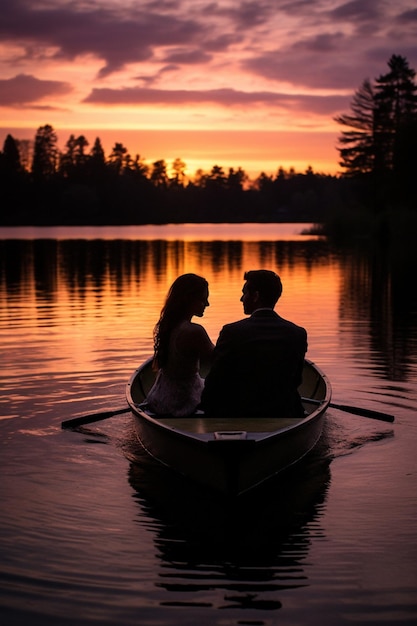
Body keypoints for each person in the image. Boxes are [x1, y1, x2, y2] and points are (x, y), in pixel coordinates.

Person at [201, 269, 307, 418]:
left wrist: (206, 407)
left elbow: (216, 380)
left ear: (256, 296)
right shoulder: (298, 333)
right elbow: (296, 380)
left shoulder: (231, 332)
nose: (241, 299)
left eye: (244, 293)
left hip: (237, 412)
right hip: (282, 411)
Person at [146, 273, 214, 417]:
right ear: (188, 299)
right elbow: (218, 361)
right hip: (183, 402)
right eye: (203, 299)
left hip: (160, 397)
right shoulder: (193, 331)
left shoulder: (169, 325)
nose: (207, 304)